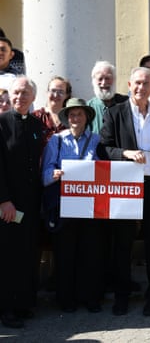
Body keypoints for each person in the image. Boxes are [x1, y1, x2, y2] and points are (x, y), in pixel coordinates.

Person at [99, 67, 150, 317]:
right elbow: (104, 149)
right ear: (130, 84)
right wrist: (126, 153)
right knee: (123, 243)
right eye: (137, 83)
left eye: (147, 83)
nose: (141, 87)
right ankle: (122, 295)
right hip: (126, 187)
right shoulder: (114, 113)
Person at [41, 98, 105, 314]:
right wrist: (54, 174)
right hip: (64, 205)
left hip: (90, 206)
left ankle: (91, 298)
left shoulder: (97, 140)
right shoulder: (56, 141)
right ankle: (66, 299)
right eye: (71, 115)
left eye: (79, 114)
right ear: (67, 119)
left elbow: (105, 170)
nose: (75, 118)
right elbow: (45, 173)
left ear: (87, 117)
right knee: (65, 254)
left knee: (91, 253)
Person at [0, 76, 43, 328]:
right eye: (16, 92)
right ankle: (6, 308)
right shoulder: (1, 123)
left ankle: (23, 304)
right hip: (8, 205)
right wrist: (3, 200)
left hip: (30, 203)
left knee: (27, 253)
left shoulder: (37, 125)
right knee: (7, 256)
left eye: (25, 93)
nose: (20, 97)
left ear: (33, 97)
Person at [87, 61, 128, 134]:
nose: (104, 83)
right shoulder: (88, 107)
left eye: (107, 78)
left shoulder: (126, 103)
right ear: (94, 81)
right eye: (100, 79)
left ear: (114, 80)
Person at [33, 76, 72, 145]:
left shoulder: (71, 117)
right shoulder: (35, 116)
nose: (56, 95)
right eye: (53, 90)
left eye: (61, 92)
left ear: (66, 95)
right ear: (47, 92)